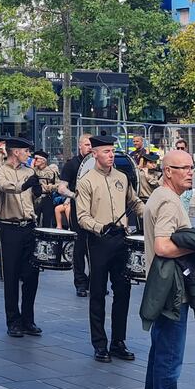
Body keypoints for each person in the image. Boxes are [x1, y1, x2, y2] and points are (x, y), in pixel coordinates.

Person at [141, 149, 195, 389]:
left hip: (163, 284)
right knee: (169, 354)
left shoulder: (162, 196)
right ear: (167, 171)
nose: (190, 172)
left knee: (160, 349)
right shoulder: (168, 201)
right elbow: (163, 246)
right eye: (183, 167)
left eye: (191, 166)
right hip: (171, 286)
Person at [75, 135, 144, 362]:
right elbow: (82, 216)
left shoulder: (122, 178)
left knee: (123, 291)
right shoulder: (86, 181)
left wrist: (153, 213)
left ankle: (118, 342)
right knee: (97, 293)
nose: (111, 155)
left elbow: (134, 202)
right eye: (106, 151)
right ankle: (99, 343)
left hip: (120, 240)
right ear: (94, 154)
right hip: (98, 241)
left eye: (112, 151)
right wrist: (100, 227)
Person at [0, 137, 43, 338]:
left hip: (29, 226)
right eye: (26, 151)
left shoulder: (30, 171)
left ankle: (28, 319)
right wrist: (24, 185)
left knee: (31, 276)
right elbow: (5, 187)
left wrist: (38, 191)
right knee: (11, 276)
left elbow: (34, 197)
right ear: (16, 152)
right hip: (9, 227)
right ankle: (13, 320)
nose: (29, 154)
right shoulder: (0, 172)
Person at [58, 134, 93, 297]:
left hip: (96, 210)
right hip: (78, 209)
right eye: (87, 144)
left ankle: (95, 281)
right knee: (79, 247)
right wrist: (75, 196)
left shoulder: (97, 165)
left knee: (95, 247)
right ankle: (80, 283)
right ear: (80, 146)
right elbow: (61, 188)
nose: (90, 147)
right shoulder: (71, 164)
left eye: (92, 145)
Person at [31, 150, 59, 228]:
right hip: (35, 199)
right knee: (34, 221)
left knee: (47, 221)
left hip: (47, 198)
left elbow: (59, 184)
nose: (34, 161)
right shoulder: (32, 171)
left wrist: (51, 187)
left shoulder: (51, 172)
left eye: (37, 159)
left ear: (43, 160)